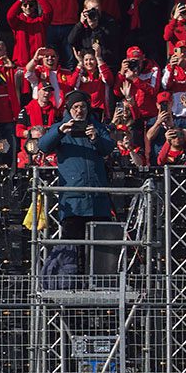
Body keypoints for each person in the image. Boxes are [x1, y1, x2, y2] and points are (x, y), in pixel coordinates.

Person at [35, 92, 116, 288]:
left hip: (97, 199)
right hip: (73, 202)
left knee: (99, 251)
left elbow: (108, 148)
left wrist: (96, 138)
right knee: (73, 248)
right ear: (69, 110)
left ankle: (98, 287)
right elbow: (43, 145)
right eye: (75, 108)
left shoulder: (97, 127)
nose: (80, 111)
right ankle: (71, 287)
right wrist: (61, 131)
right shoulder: (61, 128)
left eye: (83, 107)